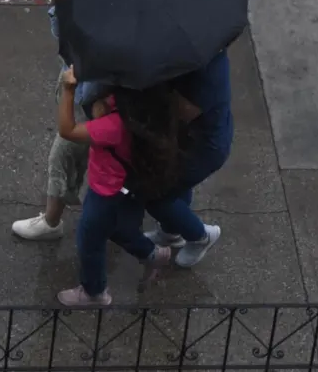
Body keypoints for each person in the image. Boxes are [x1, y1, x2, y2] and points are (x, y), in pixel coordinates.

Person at [56, 66, 173, 306]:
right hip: (128, 186)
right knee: (117, 228)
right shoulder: (148, 111)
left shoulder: (114, 126)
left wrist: (68, 90)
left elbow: (67, 130)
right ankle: (152, 254)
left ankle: (94, 291)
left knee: (89, 239)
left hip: (105, 190)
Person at [11, 0, 108, 240]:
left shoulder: (107, 51)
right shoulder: (99, 26)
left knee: (61, 158)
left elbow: (76, 115)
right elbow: (64, 42)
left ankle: (51, 222)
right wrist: (60, 8)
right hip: (84, 105)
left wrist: (69, 86)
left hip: (88, 111)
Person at [142, 48, 233, 267]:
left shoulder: (206, 70)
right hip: (190, 140)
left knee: (154, 195)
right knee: (178, 186)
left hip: (203, 148)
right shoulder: (203, 52)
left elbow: (180, 113)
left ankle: (200, 236)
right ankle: (171, 231)